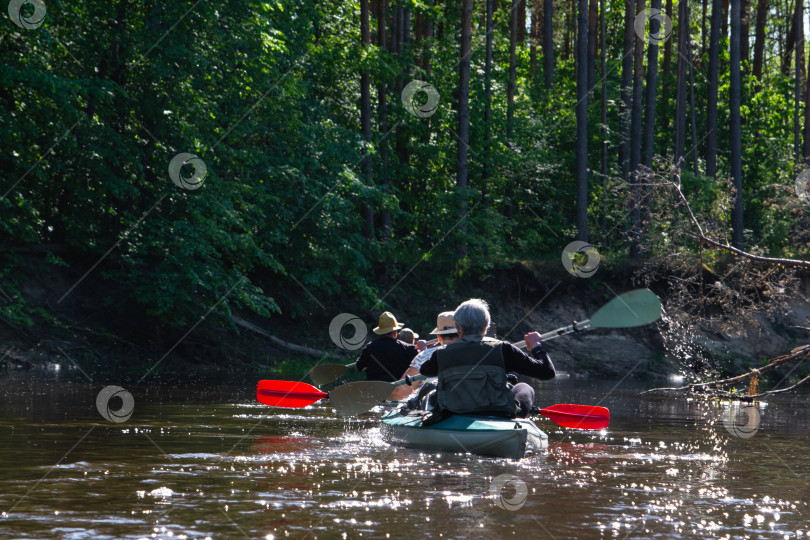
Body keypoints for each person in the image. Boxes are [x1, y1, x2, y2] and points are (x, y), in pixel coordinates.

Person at [418, 299, 555, 418]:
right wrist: (536, 346)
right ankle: (515, 422)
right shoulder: (504, 349)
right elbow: (546, 372)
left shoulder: (441, 352)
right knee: (524, 387)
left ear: (458, 328)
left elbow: (425, 370)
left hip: (453, 413)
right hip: (499, 414)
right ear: (486, 326)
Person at [389, 311, 459, 401]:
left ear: (438, 337)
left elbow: (399, 393)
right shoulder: (478, 352)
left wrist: (387, 396)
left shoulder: (424, 356)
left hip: (435, 409)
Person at [355, 311, 419, 382]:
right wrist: (423, 349)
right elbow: (420, 365)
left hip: (374, 389)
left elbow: (359, 367)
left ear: (380, 332)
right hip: (398, 389)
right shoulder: (408, 348)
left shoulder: (369, 347)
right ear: (395, 332)